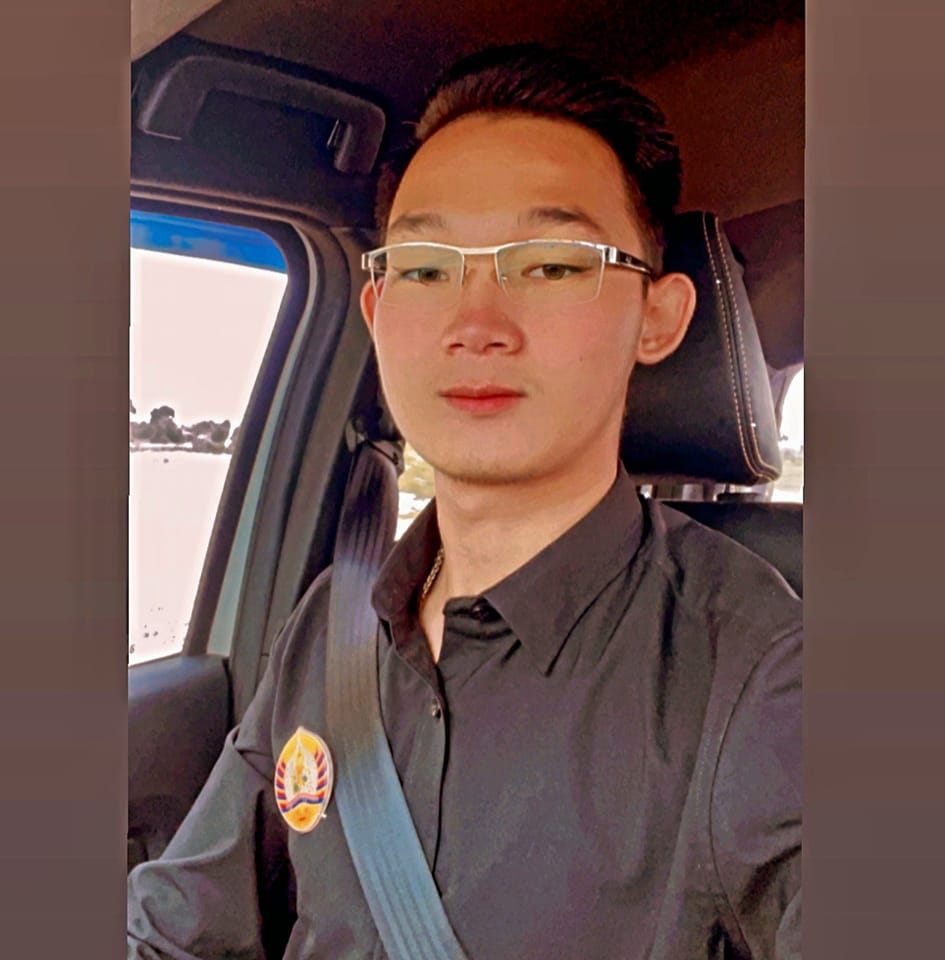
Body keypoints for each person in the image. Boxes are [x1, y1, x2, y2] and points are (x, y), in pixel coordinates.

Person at [128, 44, 801, 960]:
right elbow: (179, 928)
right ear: (377, 313)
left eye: (552, 265)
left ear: (658, 318)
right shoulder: (337, 619)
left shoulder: (762, 675)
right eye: (424, 267)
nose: (474, 324)